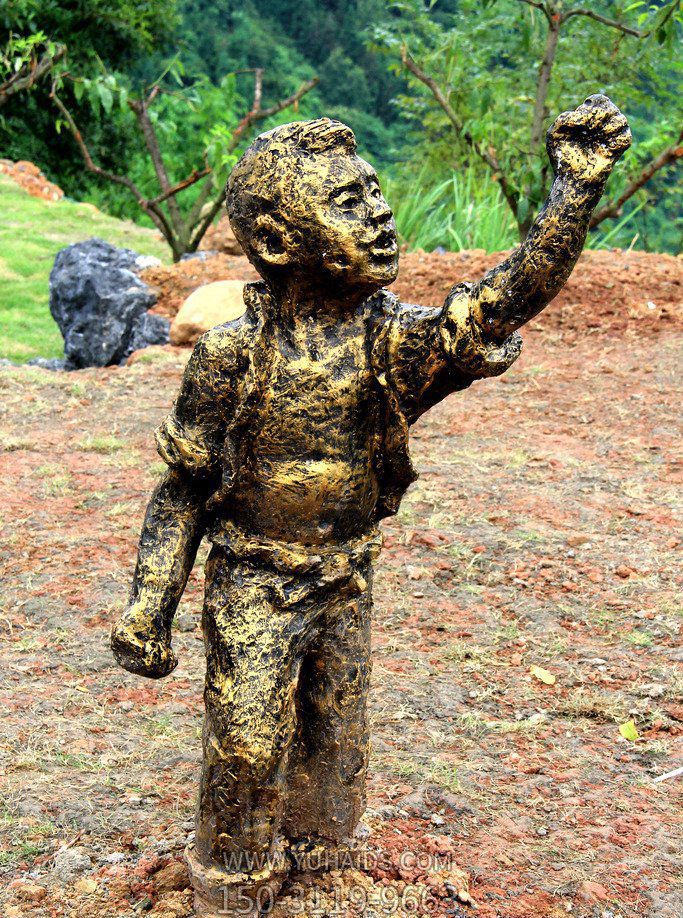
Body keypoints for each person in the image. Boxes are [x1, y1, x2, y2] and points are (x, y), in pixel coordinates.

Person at [111, 99, 630, 916]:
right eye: (348, 202)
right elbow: (183, 488)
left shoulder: (390, 342)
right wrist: (150, 605)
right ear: (277, 241)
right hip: (254, 579)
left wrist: (574, 190)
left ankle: (322, 865)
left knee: (335, 737)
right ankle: (229, 879)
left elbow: (499, 302)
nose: (380, 213)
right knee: (246, 741)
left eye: (375, 191)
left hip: (346, 578)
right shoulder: (231, 354)